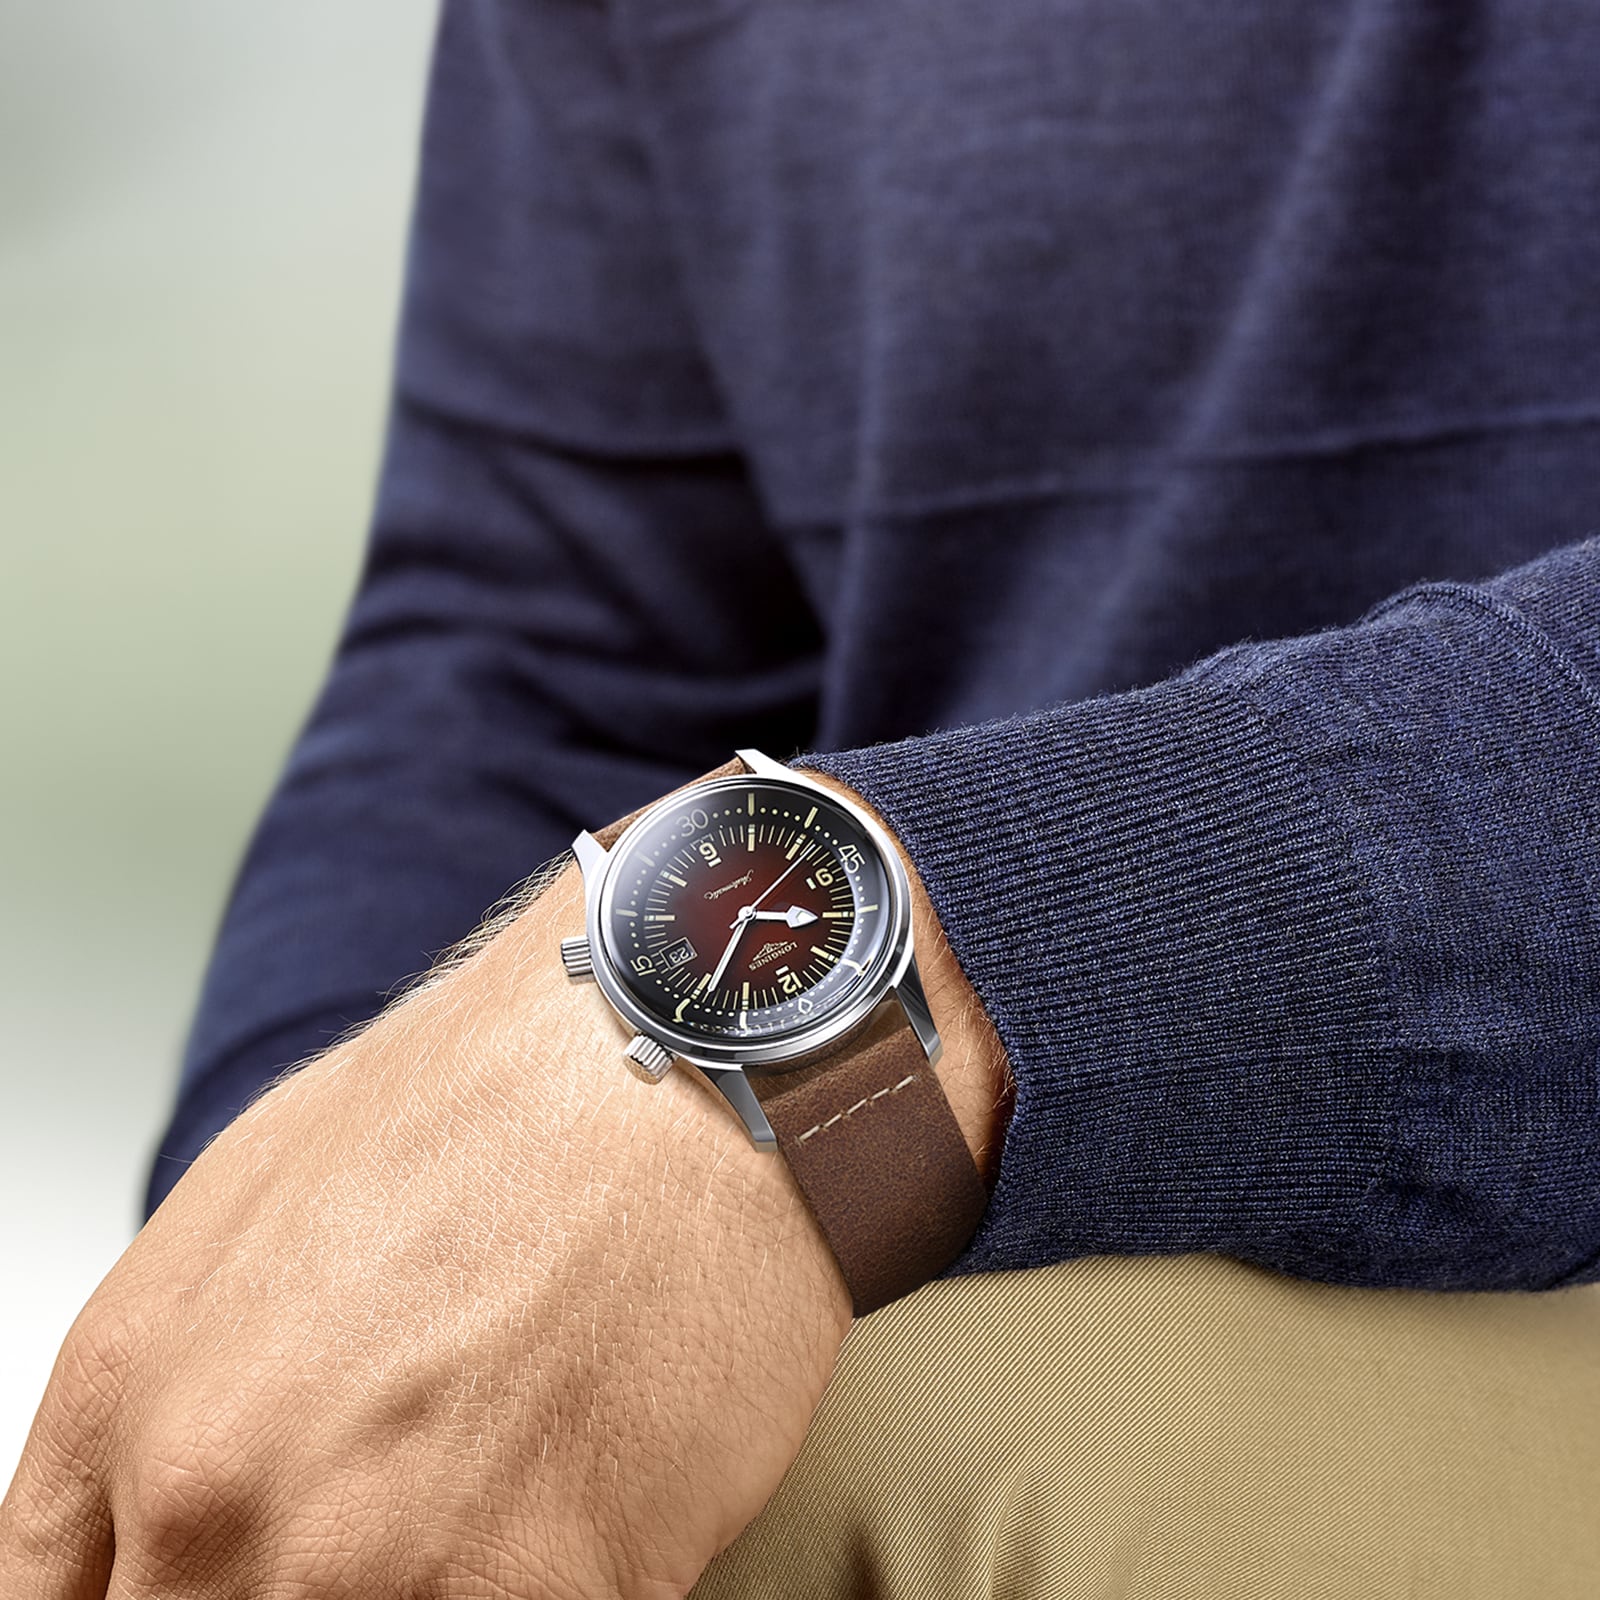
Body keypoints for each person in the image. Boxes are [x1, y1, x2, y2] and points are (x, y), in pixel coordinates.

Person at [5, 0, 1600, 1593]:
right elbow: (543, 639)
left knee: (819, 1477)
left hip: (1416, 1266)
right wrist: (299, 1290)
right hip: (922, 1177)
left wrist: (910, 1010)